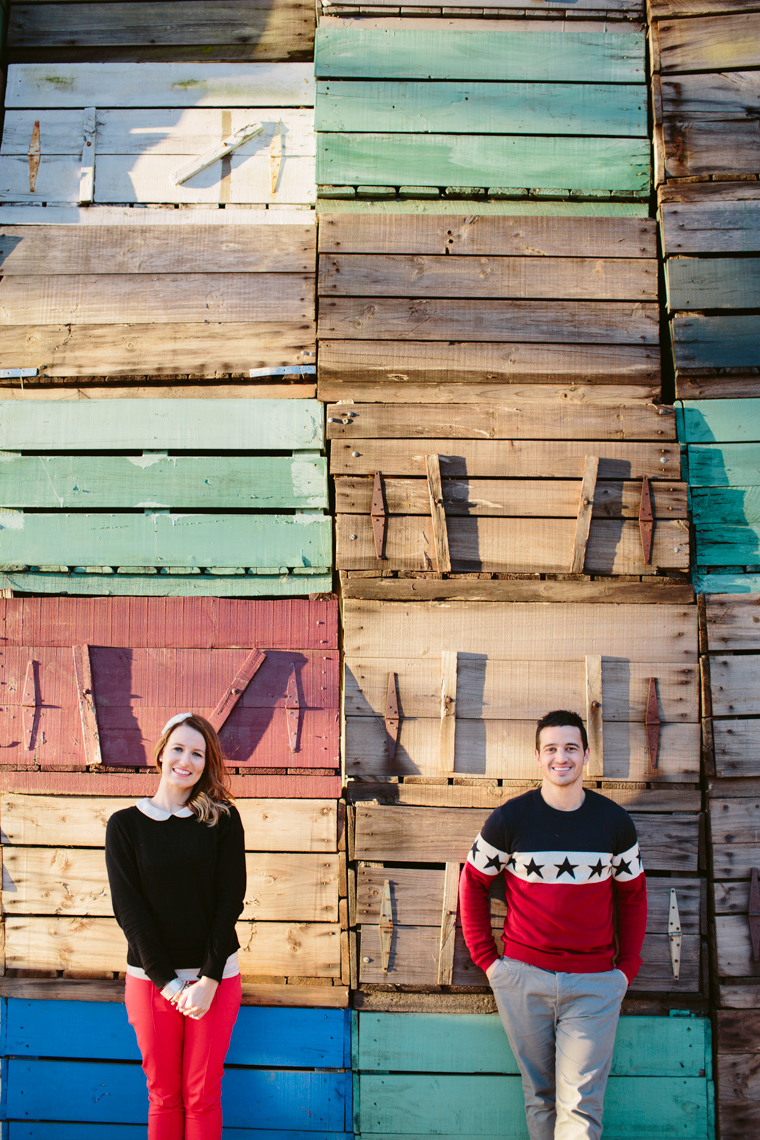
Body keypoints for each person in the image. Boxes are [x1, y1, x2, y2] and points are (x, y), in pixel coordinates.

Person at [459, 709, 647, 1140]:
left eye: (570, 748)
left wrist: (625, 971)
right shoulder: (509, 820)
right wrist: (490, 962)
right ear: (539, 757)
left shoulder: (614, 823)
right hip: (523, 980)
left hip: (595, 984)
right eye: (551, 749)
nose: (561, 757)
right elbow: (472, 884)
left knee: (580, 1103)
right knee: (540, 1095)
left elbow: (633, 897)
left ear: (585, 756)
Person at [105, 712, 246, 1140]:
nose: (186, 760)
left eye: (198, 753)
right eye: (179, 749)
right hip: (150, 983)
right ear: (161, 751)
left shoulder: (221, 819)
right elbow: (129, 912)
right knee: (164, 1096)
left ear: (207, 763)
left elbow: (229, 902)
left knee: (202, 1096)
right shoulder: (124, 825)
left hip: (215, 980)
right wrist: (167, 983)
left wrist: (207, 979)